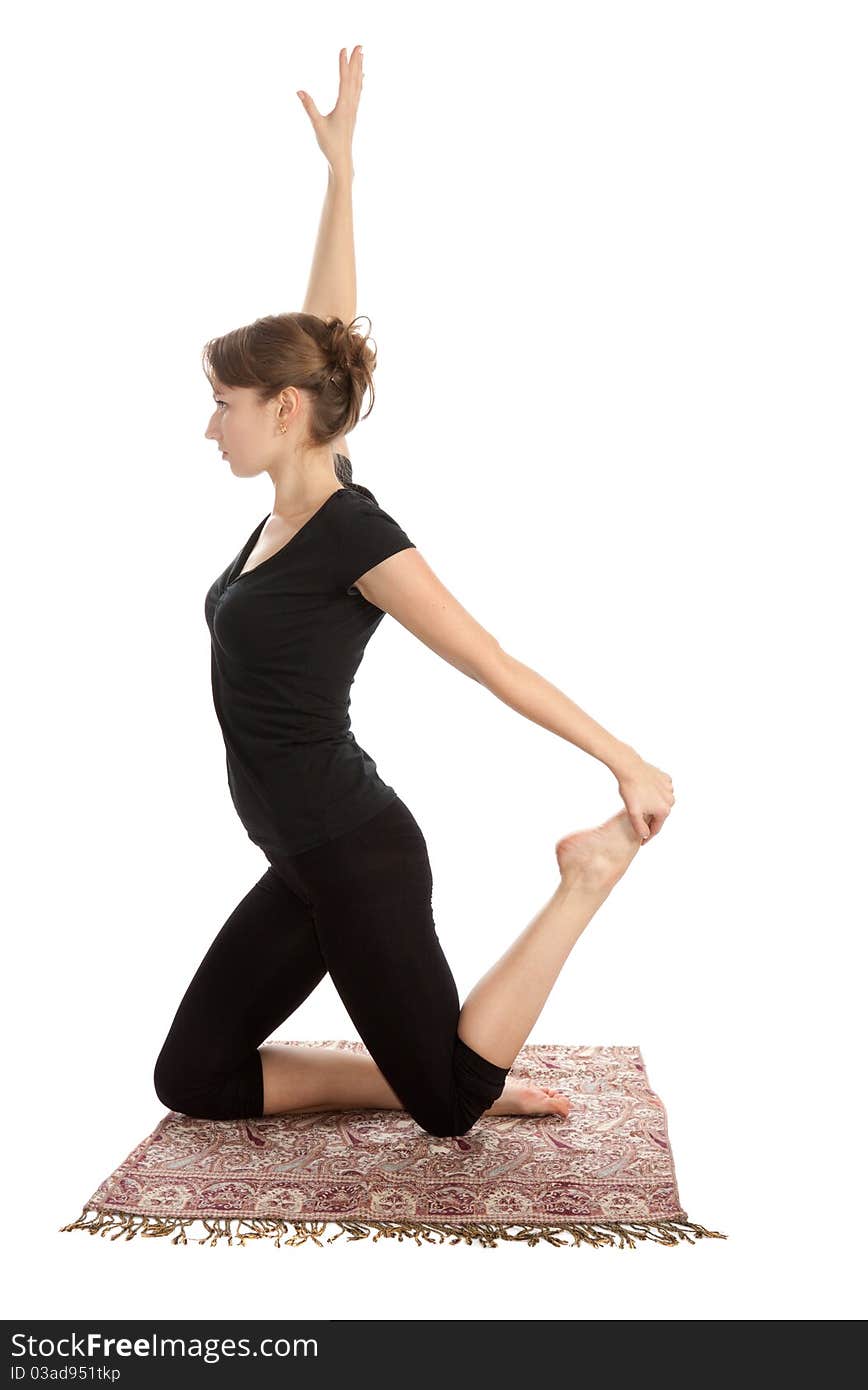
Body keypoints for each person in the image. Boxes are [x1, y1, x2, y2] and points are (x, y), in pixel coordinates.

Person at [153, 46, 675, 1138]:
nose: (211, 422)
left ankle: (584, 876)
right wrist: (340, 173)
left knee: (454, 1108)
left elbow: (491, 661)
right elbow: (329, 334)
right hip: (298, 859)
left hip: (355, 853)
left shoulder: (354, 533)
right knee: (193, 1075)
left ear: (283, 411)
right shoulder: (302, 488)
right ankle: (402, 1067)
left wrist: (622, 760)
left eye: (221, 403)